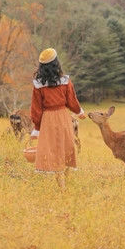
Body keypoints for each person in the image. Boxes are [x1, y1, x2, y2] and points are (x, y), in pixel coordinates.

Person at [30, 47, 86, 189]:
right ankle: (64, 185)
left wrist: (37, 128)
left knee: (54, 151)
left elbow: (36, 108)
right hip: (62, 116)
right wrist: (80, 112)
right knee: (67, 147)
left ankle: (62, 186)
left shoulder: (38, 84)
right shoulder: (65, 81)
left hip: (48, 119)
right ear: (56, 63)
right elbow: (72, 101)